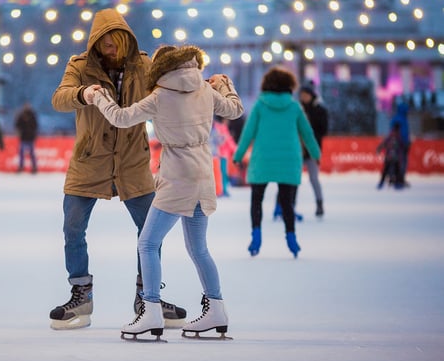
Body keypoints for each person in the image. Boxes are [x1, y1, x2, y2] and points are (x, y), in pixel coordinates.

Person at [86, 45, 244, 340]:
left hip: (176, 177)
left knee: (147, 243)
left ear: (159, 68)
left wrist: (99, 97)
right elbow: (235, 109)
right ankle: (217, 308)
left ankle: (152, 311)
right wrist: (224, 84)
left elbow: (120, 118)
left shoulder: (159, 95)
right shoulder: (206, 90)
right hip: (202, 174)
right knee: (198, 248)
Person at [49, 8, 185, 330]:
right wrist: (84, 93)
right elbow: (59, 98)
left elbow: (174, 89)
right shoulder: (80, 66)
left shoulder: (144, 65)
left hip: (132, 161)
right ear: (95, 44)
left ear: (125, 40)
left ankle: (147, 296)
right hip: (89, 160)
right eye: (104, 44)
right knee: (72, 228)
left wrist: (199, 82)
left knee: (151, 230)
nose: (110, 49)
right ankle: (81, 293)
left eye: (115, 43)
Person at [233, 67, 321, 259]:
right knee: (287, 202)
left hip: (263, 159)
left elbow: (248, 133)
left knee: (257, 199)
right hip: (288, 159)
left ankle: (256, 235)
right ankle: (291, 238)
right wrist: (315, 153)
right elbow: (307, 133)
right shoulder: (295, 106)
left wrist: (238, 155)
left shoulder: (260, 106)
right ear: (290, 86)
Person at [273, 81, 328, 219]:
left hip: (310, 151)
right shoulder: (296, 108)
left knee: (313, 178)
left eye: (305, 95)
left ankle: (319, 203)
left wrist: (309, 134)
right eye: (302, 95)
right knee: (291, 178)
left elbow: (323, 130)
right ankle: (287, 206)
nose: (303, 97)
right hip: (296, 150)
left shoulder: (319, 110)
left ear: (311, 95)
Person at [376, 122, 406, 189]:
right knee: (395, 171)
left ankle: (383, 183)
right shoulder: (398, 137)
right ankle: (396, 183)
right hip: (394, 158)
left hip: (390, 157)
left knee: (387, 170)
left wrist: (379, 148)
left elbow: (384, 143)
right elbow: (402, 147)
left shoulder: (391, 136)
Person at [389, 102, 410, 187]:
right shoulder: (400, 119)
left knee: (398, 161)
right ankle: (398, 178)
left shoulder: (400, 118)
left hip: (400, 144)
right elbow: (396, 133)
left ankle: (396, 177)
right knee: (400, 161)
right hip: (400, 144)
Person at [14, 102, 38, 174]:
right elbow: (17, 125)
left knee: (32, 154)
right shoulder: (21, 115)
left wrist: (33, 133)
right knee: (22, 154)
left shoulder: (32, 115)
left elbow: (35, 125)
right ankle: (21, 167)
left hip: (30, 137)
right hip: (23, 137)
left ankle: (34, 167)